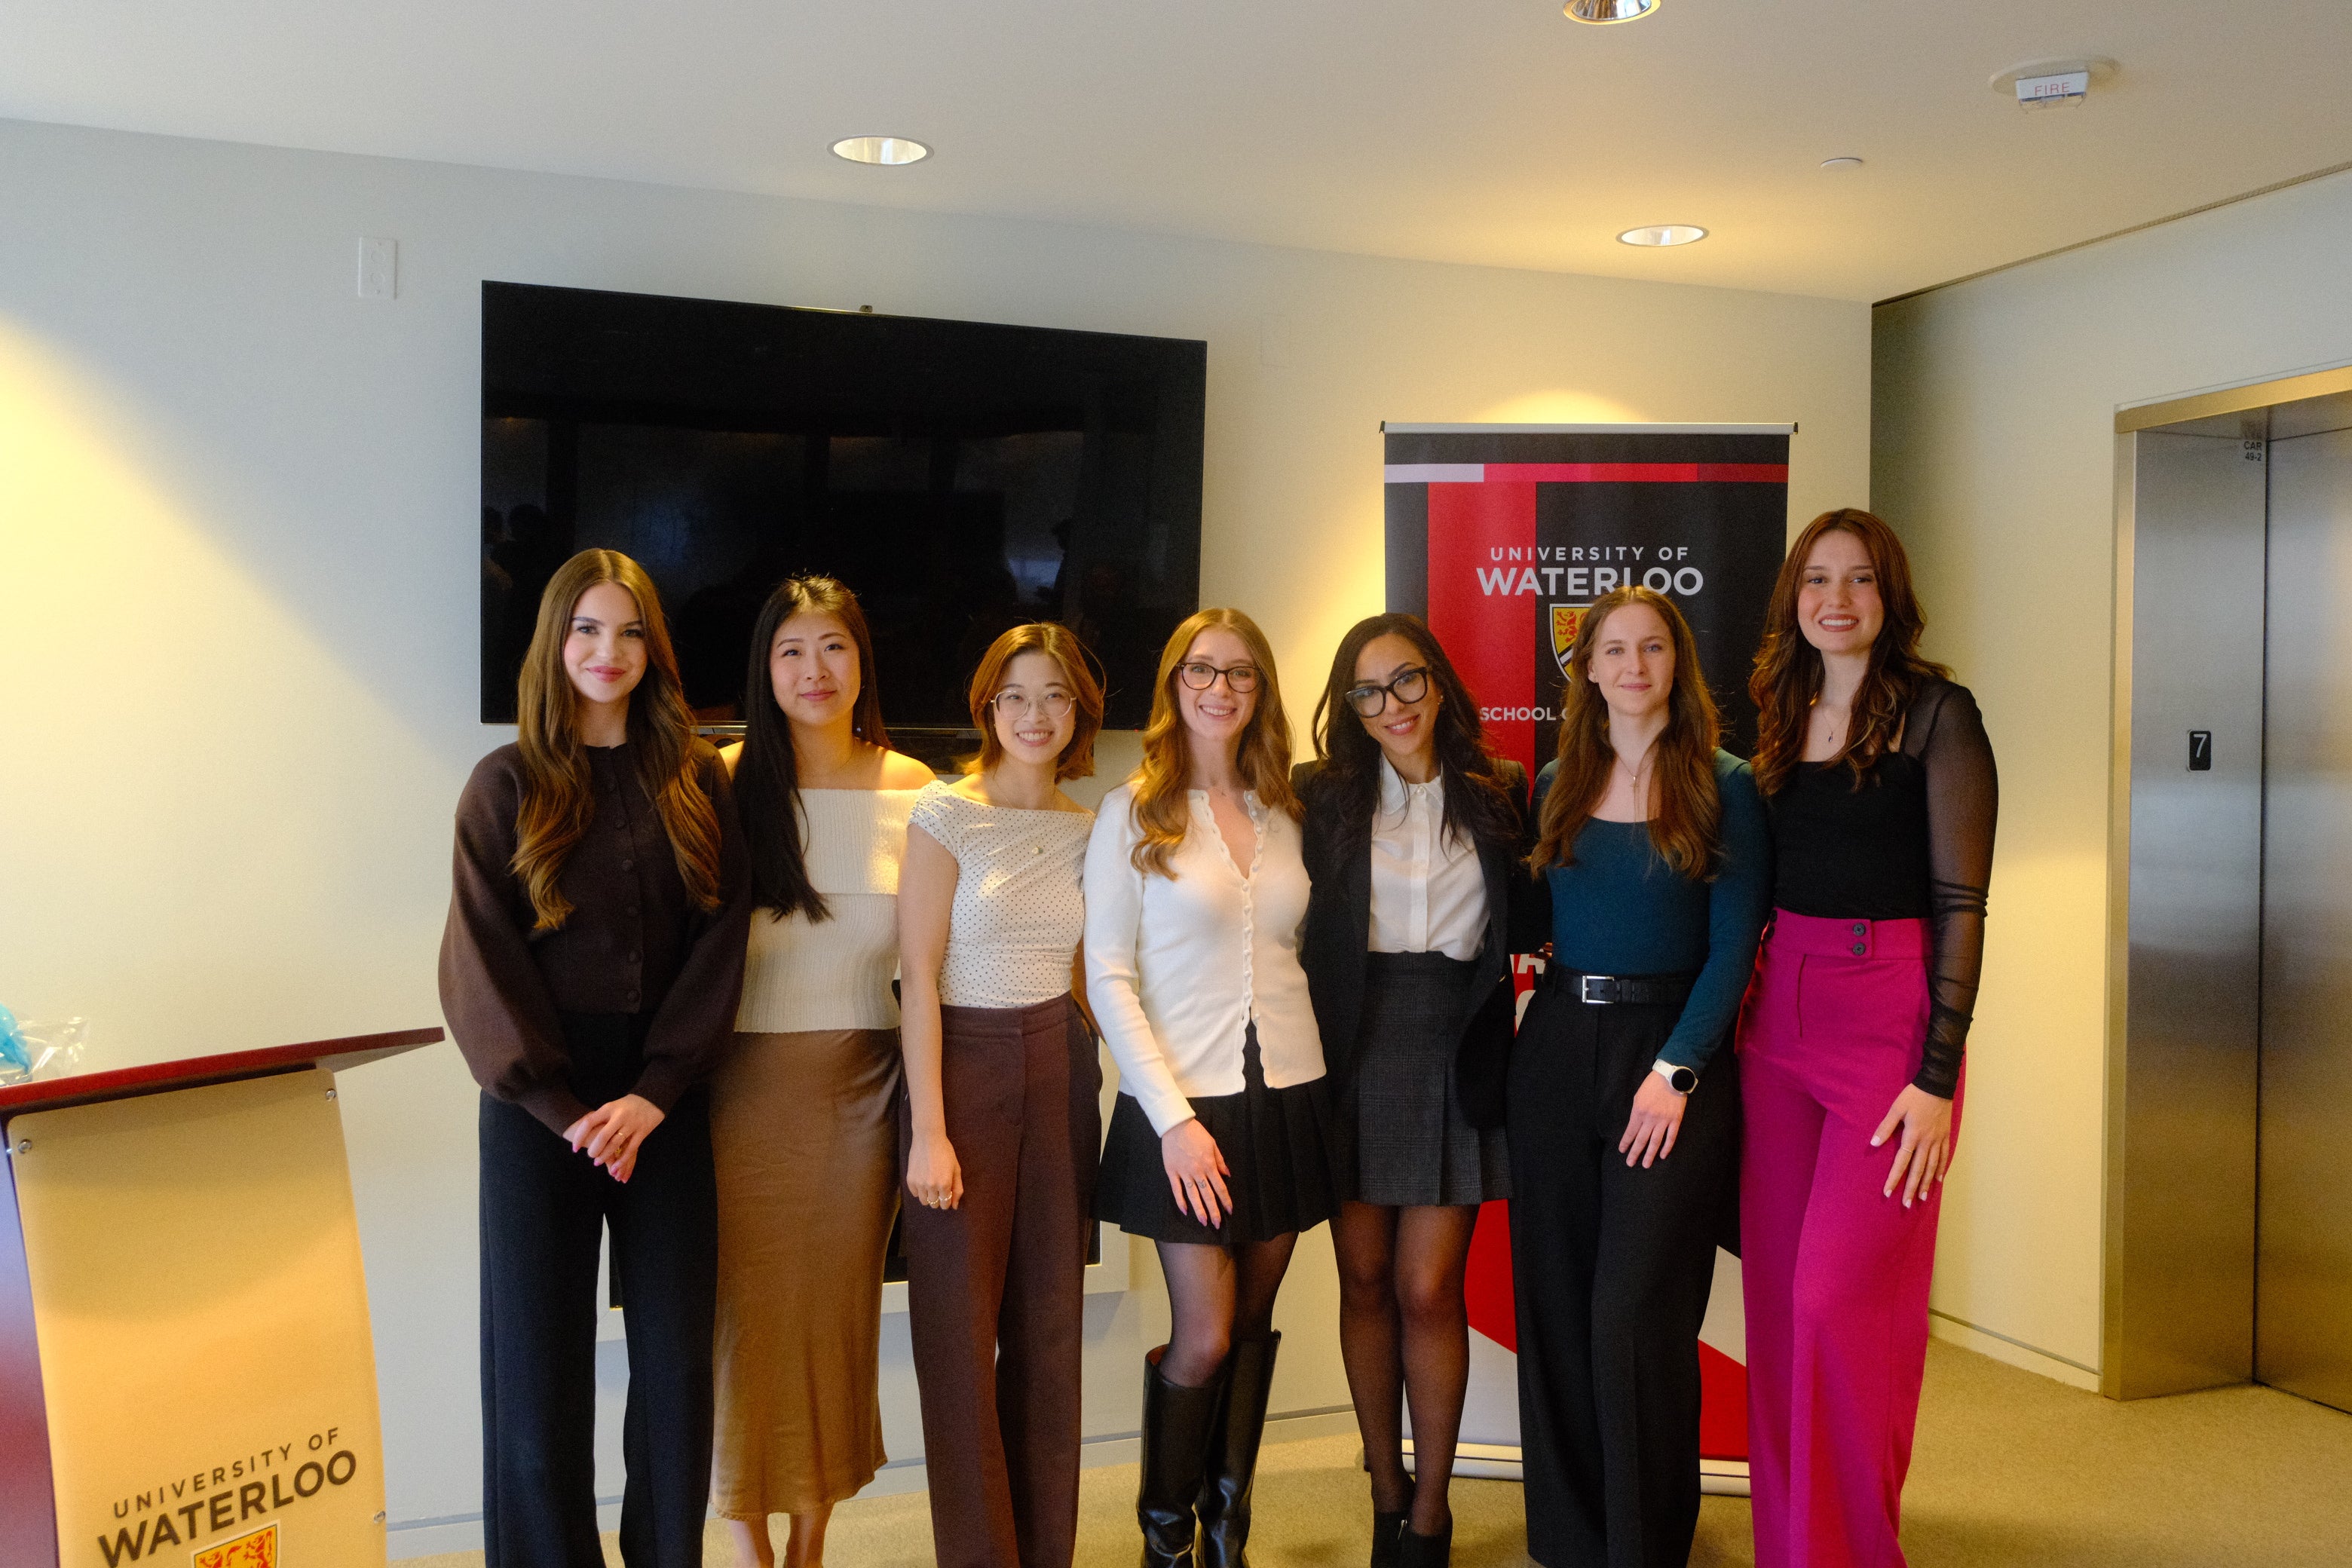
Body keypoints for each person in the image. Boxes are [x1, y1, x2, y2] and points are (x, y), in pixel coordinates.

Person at [439, 548, 752, 1568]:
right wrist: (564, 1107)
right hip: (544, 1109)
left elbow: (722, 938)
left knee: (674, 1371)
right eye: (586, 630)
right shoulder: (504, 785)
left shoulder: (698, 775)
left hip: (666, 1102)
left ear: (653, 650)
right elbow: (479, 956)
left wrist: (656, 1091)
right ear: (553, 643)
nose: (607, 652)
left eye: (628, 633)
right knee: (534, 1370)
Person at [1738, 510, 1996, 1568]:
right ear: (1793, 597)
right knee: (1778, 1312)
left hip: (1890, 1021)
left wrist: (1937, 1075)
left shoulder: (1941, 716)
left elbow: (1964, 904)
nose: (1835, 600)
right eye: (1816, 580)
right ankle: (1789, 1548)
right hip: (1776, 1013)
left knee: (1840, 1307)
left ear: (1890, 598)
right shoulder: (1776, 710)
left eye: (1858, 582)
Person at [1512, 586, 1772, 1568]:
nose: (1630, 665)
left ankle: (1644, 1543)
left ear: (1678, 661)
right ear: (1585, 669)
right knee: (1560, 1300)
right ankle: (1572, 1540)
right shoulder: (1553, 781)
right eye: (1612, 649)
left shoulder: (1726, 782)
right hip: (1558, 1055)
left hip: (1669, 1063)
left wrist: (1679, 1070)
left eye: (1650, 647)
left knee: (1636, 1315)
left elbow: (1734, 947)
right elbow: (1536, 922)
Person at [1086, 608, 1336, 1568]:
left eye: (1240, 672)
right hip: (1180, 1107)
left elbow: (1297, 954)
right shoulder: (1132, 812)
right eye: (1202, 670)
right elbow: (1108, 976)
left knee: (1255, 1324)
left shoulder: (1289, 814)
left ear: (1260, 691)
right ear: (1174, 683)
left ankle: (1229, 1529)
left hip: (1290, 1093)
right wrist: (1173, 1123)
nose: (1220, 687)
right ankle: (1165, 1539)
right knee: (1206, 1330)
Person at [1294, 614, 1532, 1568]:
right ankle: (1384, 1486)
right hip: (1351, 1040)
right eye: (1366, 690)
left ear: (1438, 683)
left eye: (1405, 682)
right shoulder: (1324, 797)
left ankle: (1431, 1512)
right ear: (1348, 707)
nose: (1389, 705)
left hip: (1455, 1042)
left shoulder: (1500, 789)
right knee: (1361, 1279)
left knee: (1428, 1286)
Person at [709, 577, 936, 1568]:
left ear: (862, 663)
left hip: (861, 1094)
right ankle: (751, 1543)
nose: (815, 671)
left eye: (834, 648)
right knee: (741, 1324)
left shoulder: (919, 792)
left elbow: (938, 960)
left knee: (833, 1320)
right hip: (732, 1096)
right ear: (765, 668)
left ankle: (809, 1542)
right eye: (792, 650)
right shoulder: (719, 780)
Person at [897, 622, 1106, 1568]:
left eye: (1056, 696)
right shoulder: (945, 813)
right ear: (988, 705)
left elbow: (1098, 977)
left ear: (1079, 711)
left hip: (1059, 1065)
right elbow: (917, 967)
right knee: (957, 1339)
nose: (1036, 714)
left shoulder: (1090, 824)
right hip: (964, 1068)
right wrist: (928, 1130)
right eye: (1016, 695)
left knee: (1049, 1333)